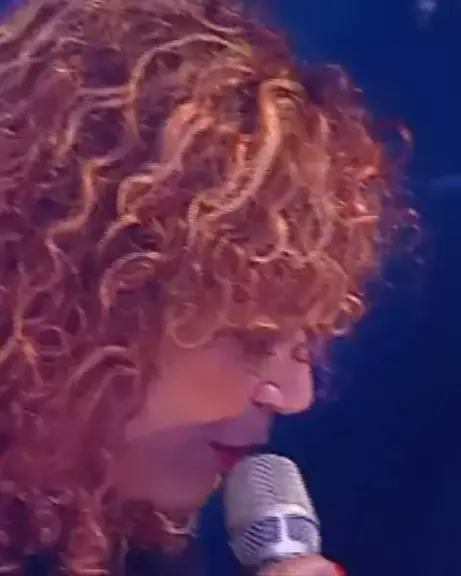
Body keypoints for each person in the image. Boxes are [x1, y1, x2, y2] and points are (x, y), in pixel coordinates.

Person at [0, 0, 410, 574]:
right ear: (67, 313)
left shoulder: (119, 544)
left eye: (306, 342)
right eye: (255, 341)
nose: (297, 395)